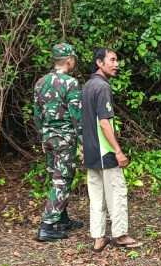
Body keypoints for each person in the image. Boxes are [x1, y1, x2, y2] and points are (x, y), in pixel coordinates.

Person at [81, 47, 142, 252]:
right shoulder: (102, 87)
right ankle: (120, 235)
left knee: (96, 196)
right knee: (116, 192)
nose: (116, 65)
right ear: (100, 62)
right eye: (112, 60)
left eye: (117, 60)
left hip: (90, 152)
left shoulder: (87, 86)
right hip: (105, 152)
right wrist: (118, 151)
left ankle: (98, 237)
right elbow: (104, 123)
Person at [33, 43, 84, 242]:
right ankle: (47, 226)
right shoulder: (70, 83)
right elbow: (76, 116)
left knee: (57, 177)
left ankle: (62, 219)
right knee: (63, 179)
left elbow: (37, 114)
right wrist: (82, 141)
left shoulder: (40, 82)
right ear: (70, 59)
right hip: (65, 138)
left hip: (49, 137)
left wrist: (41, 137)